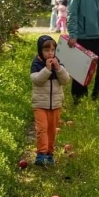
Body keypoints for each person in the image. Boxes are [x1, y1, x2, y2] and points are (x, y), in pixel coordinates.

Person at [30, 36, 71, 166]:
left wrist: (58, 68)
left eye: (52, 50)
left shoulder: (58, 63)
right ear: (40, 51)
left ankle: (49, 153)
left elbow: (65, 80)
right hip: (40, 104)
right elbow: (37, 80)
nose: (50, 53)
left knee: (52, 130)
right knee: (42, 129)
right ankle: (41, 154)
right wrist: (47, 70)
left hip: (55, 104)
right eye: (47, 50)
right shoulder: (36, 64)